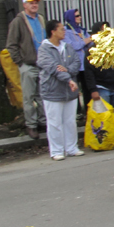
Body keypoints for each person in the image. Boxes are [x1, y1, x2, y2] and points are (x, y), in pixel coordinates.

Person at [37, 20, 83, 161]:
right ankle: (56, 150)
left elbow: (76, 62)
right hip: (53, 91)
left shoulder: (67, 47)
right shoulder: (44, 49)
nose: (64, 32)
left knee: (70, 120)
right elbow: (53, 68)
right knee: (54, 122)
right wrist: (69, 79)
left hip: (70, 92)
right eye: (61, 29)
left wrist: (67, 70)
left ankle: (71, 147)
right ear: (53, 31)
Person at [83, 22, 114, 148]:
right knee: (103, 115)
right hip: (101, 87)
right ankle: (105, 138)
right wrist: (93, 89)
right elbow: (89, 73)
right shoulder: (91, 51)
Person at [6, 0, 47, 139]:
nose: (34, 5)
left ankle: (43, 122)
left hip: (41, 64)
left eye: (36, 2)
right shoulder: (18, 22)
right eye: (30, 3)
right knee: (28, 97)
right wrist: (20, 62)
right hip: (27, 64)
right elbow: (11, 45)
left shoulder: (41, 19)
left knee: (42, 96)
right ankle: (31, 125)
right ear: (24, 5)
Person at [63, 9, 93, 116]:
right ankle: (77, 112)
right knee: (74, 89)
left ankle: (88, 111)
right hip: (73, 64)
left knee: (87, 88)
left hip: (85, 64)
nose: (80, 17)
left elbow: (90, 42)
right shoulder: (65, 31)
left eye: (79, 15)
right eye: (77, 16)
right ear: (70, 17)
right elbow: (72, 46)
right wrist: (85, 41)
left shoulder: (82, 30)